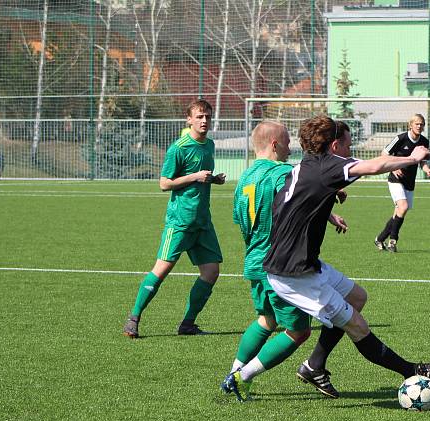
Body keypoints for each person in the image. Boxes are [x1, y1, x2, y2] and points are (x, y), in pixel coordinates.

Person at [262, 115, 430, 398]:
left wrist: (328, 209)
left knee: (357, 298)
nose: (351, 152)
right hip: (293, 271)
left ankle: (314, 365)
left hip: (301, 263)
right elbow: (374, 165)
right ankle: (414, 371)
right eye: (349, 146)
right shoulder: (328, 166)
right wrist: (413, 158)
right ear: (335, 145)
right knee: (356, 326)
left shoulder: (309, 166)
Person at [220, 121, 349, 402]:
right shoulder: (281, 172)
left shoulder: (243, 179)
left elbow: (241, 220)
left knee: (266, 320)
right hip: (276, 264)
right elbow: (300, 198)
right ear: (275, 144)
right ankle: (240, 378)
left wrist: (328, 215)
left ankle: (233, 372)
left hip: (253, 260)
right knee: (299, 331)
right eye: (288, 142)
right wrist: (332, 194)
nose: (292, 147)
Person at [122, 99, 226, 338]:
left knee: (211, 272)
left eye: (208, 117)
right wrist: (195, 176)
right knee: (162, 269)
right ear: (188, 119)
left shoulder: (209, 145)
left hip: (202, 221)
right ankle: (133, 318)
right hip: (180, 221)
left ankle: (187, 324)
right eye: (199, 116)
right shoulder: (178, 148)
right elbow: (164, 183)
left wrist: (213, 180)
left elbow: (201, 178)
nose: (204, 121)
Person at [374, 113, 430, 253]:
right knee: (403, 206)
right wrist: (393, 169)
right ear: (410, 125)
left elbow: (422, 160)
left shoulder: (424, 141)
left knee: (399, 212)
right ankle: (393, 241)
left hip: (410, 181)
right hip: (395, 179)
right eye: (417, 123)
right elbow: (384, 153)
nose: (419, 126)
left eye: (422, 124)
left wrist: (426, 169)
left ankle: (380, 238)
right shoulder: (401, 138)